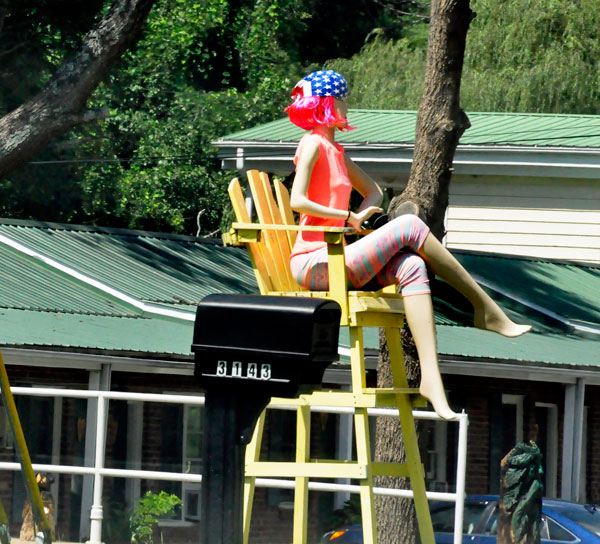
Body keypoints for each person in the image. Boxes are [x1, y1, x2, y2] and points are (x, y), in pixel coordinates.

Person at [286, 70, 531, 420]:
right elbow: (298, 200)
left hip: (338, 258)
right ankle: (485, 308)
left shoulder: (335, 151)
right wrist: (348, 219)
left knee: (412, 265)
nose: (346, 105)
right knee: (410, 226)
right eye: (341, 98)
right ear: (326, 103)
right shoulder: (311, 144)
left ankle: (431, 377)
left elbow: (373, 191)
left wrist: (361, 213)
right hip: (313, 262)